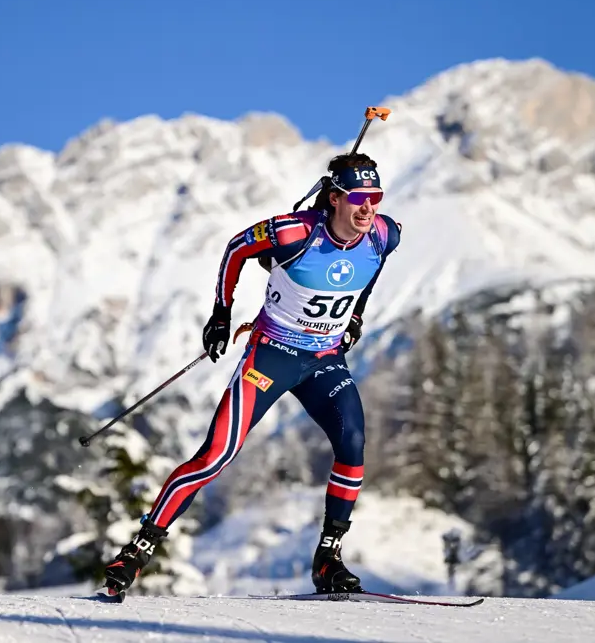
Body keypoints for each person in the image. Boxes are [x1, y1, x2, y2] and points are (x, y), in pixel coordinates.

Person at [102, 152, 402, 598]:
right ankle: (140, 548)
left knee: (353, 446)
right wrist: (221, 315)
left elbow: (369, 273)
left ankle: (328, 559)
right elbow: (237, 248)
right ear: (335, 198)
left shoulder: (384, 234)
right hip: (272, 356)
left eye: (374, 197)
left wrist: (355, 315)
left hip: (324, 361)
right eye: (358, 198)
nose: (368, 208)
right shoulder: (293, 232)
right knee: (217, 454)